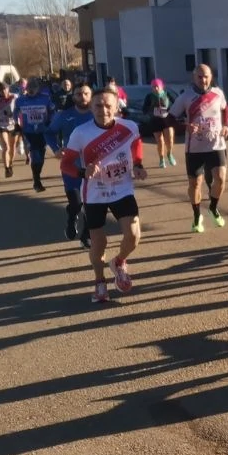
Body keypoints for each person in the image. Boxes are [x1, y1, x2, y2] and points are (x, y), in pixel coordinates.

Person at [60, 89, 147, 303]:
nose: (103, 110)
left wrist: (137, 165)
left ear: (117, 107)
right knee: (99, 242)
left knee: (134, 235)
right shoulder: (81, 133)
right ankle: (99, 282)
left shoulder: (129, 127)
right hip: (95, 192)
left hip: (122, 189)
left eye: (108, 105)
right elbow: (66, 164)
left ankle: (118, 262)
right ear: (91, 107)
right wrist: (83, 172)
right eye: (98, 106)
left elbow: (136, 145)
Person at [167, 64, 228, 233]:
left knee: (221, 178)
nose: (203, 80)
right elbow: (170, 119)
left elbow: (226, 109)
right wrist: (184, 126)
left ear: (211, 77)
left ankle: (213, 208)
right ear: (194, 78)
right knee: (195, 184)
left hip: (216, 144)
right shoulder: (186, 97)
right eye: (200, 77)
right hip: (194, 148)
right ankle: (196, 216)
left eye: (206, 76)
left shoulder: (218, 93)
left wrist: (226, 126)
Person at [49, 84, 96, 247]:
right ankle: (72, 217)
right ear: (73, 96)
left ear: (91, 96)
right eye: (78, 94)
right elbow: (49, 132)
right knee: (76, 202)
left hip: (93, 167)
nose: (82, 96)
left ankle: (86, 235)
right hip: (72, 166)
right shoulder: (64, 115)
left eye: (86, 93)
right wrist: (56, 149)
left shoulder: (97, 115)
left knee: (91, 204)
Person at [15, 78, 57, 192]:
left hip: (42, 130)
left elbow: (53, 111)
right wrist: (16, 124)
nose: (31, 91)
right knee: (35, 155)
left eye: (34, 88)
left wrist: (49, 121)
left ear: (38, 89)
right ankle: (36, 181)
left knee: (41, 156)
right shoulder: (20, 100)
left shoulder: (45, 99)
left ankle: (37, 177)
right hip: (28, 132)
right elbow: (15, 112)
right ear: (26, 89)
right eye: (29, 88)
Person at [142, 79, 177, 168]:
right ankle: (161, 159)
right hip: (155, 120)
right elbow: (144, 110)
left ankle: (170, 154)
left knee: (170, 139)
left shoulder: (167, 94)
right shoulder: (149, 96)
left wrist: (171, 110)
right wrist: (152, 111)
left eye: (157, 86)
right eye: (154, 87)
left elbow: (176, 104)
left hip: (167, 119)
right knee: (160, 141)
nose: (156, 88)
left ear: (162, 86)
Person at [0, 84, 20, 177]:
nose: (3, 91)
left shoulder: (14, 97)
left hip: (13, 125)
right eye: (1, 90)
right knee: (6, 147)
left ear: (8, 89)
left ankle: (11, 163)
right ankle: (7, 168)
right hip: (2, 125)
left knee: (12, 147)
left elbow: (20, 103)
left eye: (4, 89)